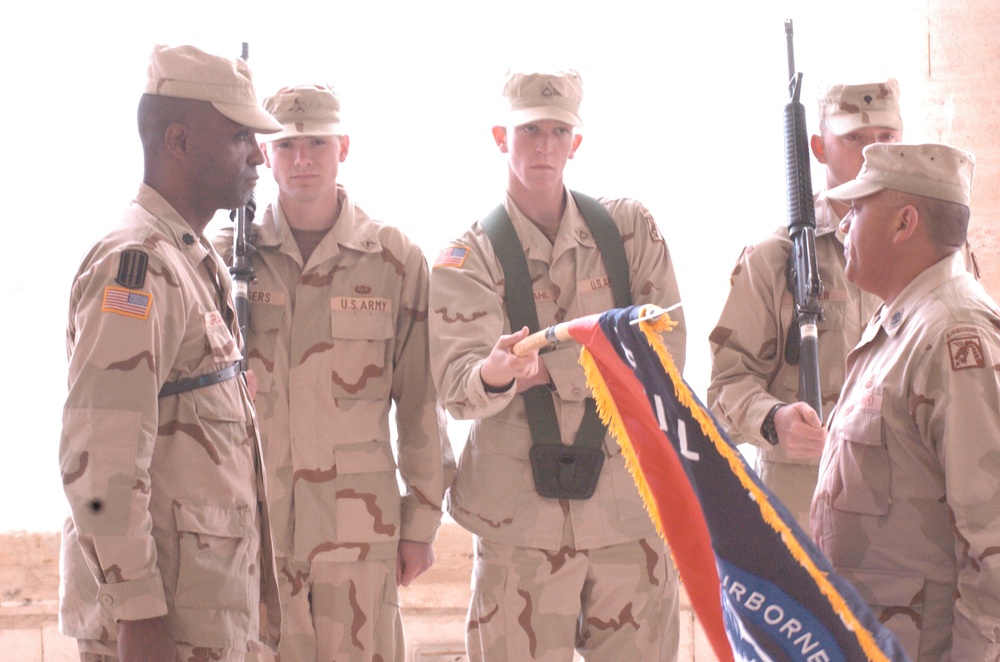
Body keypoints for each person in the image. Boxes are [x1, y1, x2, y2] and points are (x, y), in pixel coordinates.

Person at [429, 68, 686, 661]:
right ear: (501, 137)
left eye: (557, 131)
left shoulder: (627, 231)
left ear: (577, 141)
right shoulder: (468, 257)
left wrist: (548, 372)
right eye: (528, 131)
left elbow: (665, 353)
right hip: (519, 526)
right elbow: (457, 384)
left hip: (627, 518)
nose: (544, 146)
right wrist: (497, 374)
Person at [213, 83, 455, 662]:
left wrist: (421, 519)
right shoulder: (226, 259)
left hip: (357, 533)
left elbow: (421, 398)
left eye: (316, 143)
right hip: (254, 527)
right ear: (265, 153)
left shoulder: (393, 258)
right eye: (288, 145)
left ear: (342, 147)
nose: (302, 160)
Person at [58, 44, 283, 661]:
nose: (259, 157)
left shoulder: (188, 260)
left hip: (202, 621)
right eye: (240, 138)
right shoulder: (136, 268)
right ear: (179, 141)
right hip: (161, 632)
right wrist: (138, 614)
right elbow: (98, 453)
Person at [811, 142, 1000, 660]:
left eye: (858, 209)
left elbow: (994, 542)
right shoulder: (904, 320)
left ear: (904, 223)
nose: (844, 226)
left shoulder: (952, 334)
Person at [707, 80, 902, 529]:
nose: (872, 154)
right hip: (803, 515)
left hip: (905, 517)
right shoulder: (774, 259)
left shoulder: (926, 253)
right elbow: (724, 389)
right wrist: (773, 419)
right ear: (818, 146)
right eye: (853, 138)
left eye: (886, 138)